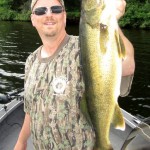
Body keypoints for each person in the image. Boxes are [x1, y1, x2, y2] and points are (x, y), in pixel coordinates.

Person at [14, 0, 135, 149]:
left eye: (56, 9)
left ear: (64, 16)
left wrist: (112, 20)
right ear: (33, 19)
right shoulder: (31, 61)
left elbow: (127, 65)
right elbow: (30, 109)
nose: (49, 14)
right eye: (41, 11)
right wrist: (21, 141)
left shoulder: (83, 48)